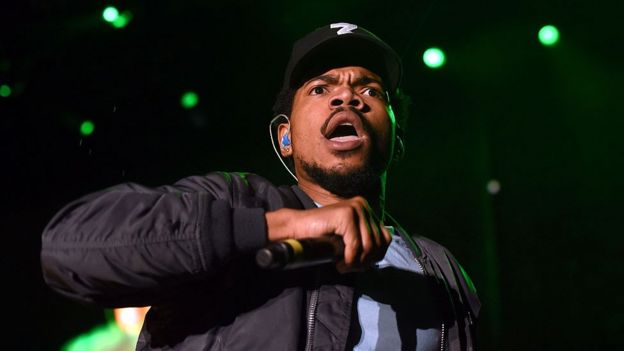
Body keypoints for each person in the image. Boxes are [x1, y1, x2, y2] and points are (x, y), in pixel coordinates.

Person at [41, 22, 480, 350]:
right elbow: (70, 250)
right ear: (285, 138)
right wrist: (274, 227)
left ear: (397, 140)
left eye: (373, 90)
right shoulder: (236, 202)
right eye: (320, 88)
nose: (348, 97)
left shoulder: (439, 269)